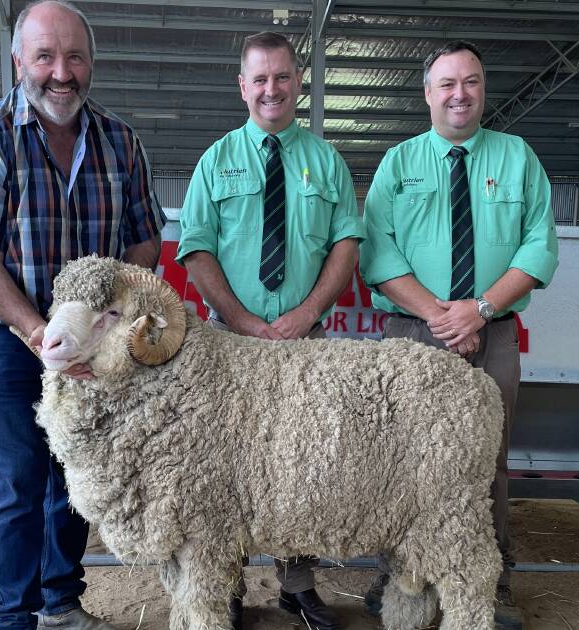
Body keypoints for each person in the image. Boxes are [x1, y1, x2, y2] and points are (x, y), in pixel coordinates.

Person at [0, 2, 164, 628]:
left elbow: (144, 241)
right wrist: (40, 333)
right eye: (45, 56)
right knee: (19, 478)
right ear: (20, 62)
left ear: (90, 62)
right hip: (4, 330)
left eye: (74, 56)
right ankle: (14, 617)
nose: (60, 72)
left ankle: (60, 603)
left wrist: (107, 325)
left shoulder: (120, 141)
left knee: (77, 465)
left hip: (89, 339)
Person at [358, 40, 559, 629]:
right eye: (447, 83)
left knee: (486, 463)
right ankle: (398, 579)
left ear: (482, 89)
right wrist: (444, 318)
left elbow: (539, 246)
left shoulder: (518, 158)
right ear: (427, 94)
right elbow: (379, 252)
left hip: (493, 333)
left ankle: (488, 584)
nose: (459, 94)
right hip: (411, 338)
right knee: (398, 460)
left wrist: (480, 310)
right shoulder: (398, 163)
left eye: (470, 81)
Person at [175, 30, 363, 630]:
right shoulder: (216, 160)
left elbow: (345, 245)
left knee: (299, 463)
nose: (271, 89)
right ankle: (225, 581)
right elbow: (196, 250)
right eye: (259, 78)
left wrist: (306, 313)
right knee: (221, 464)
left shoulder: (325, 161)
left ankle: (297, 584)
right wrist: (241, 319)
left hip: (303, 346)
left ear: (298, 83)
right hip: (227, 347)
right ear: (242, 87)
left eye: (282, 76)